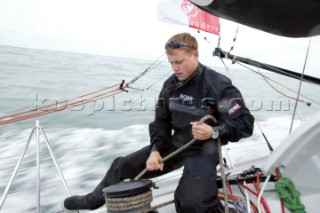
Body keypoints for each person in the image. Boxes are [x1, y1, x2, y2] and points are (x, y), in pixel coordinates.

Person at [63, 32, 254, 212]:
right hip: (175, 144)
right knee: (120, 166)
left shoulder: (218, 85)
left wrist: (214, 131)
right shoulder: (170, 85)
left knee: (190, 203)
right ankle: (91, 201)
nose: (174, 68)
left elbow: (246, 123)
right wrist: (155, 150)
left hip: (204, 149)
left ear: (195, 55)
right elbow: (161, 122)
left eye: (179, 62)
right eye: (171, 63)